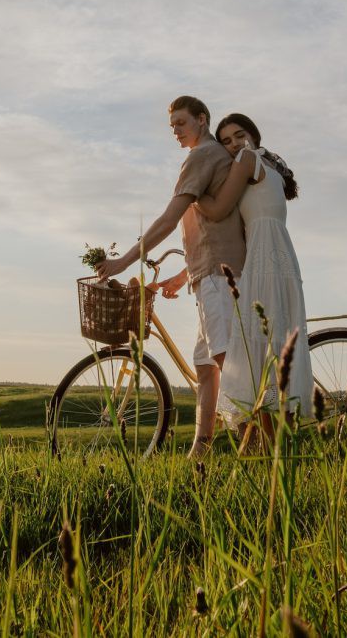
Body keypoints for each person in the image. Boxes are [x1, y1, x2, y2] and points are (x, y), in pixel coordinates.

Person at [96, 96, 246, 458]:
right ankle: (201, 449)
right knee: (206, 366)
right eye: (172, 126)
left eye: (181, 123)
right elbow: (214, 230)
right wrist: (184, 276)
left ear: (202, 119)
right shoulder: (211, 158)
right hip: (210, 273)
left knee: (228, 363)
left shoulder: (202, 156)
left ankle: (255, 437)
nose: (175, 132)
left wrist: (125, 262)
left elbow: (167, 219)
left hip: (218, 278)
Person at [192, 113, 312, 450]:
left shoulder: (247, 159)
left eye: (238, 135)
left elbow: (217, 210)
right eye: (226, 140)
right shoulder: (269, 165)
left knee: (259, 348)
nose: (233, 145)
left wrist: (190, 193)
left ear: (254, 135)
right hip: (281, 253)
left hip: (263, 256)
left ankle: (268, 447)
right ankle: (278, 447)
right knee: (275, 345)